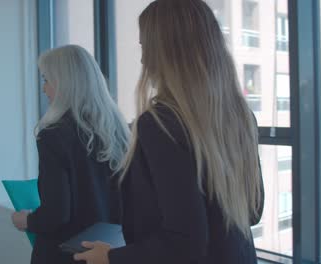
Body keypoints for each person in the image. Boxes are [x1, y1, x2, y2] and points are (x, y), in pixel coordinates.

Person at [74, 0, 264, 263]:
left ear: (166, 51)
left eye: (145, 47)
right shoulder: (241, 117)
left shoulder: (160, 124)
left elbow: (184, 243)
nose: (142, 59)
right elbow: (252, 212)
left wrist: (112, 258)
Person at [11, 45, 130, 264]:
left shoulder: (53, 136)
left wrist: (27, 220)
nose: (44, 89)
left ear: (65, 84)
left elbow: (56, 214)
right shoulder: (120, 131)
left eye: (46, 80)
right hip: (108, 252)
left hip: (66, 254)